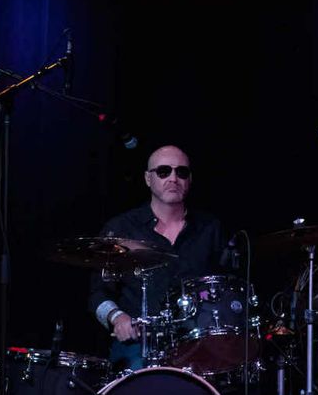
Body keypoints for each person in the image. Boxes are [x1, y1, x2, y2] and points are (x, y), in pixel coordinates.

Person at [87, 144, 225, 368]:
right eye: (163, 171)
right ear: (147, 179)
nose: (173, 178)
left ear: (190, 180)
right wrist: (117, 318)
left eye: (181, 172)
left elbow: (227, 287)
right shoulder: (121, 229)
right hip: (138, 345)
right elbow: (98, 294)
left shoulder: (210, 228)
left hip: (197, 343)